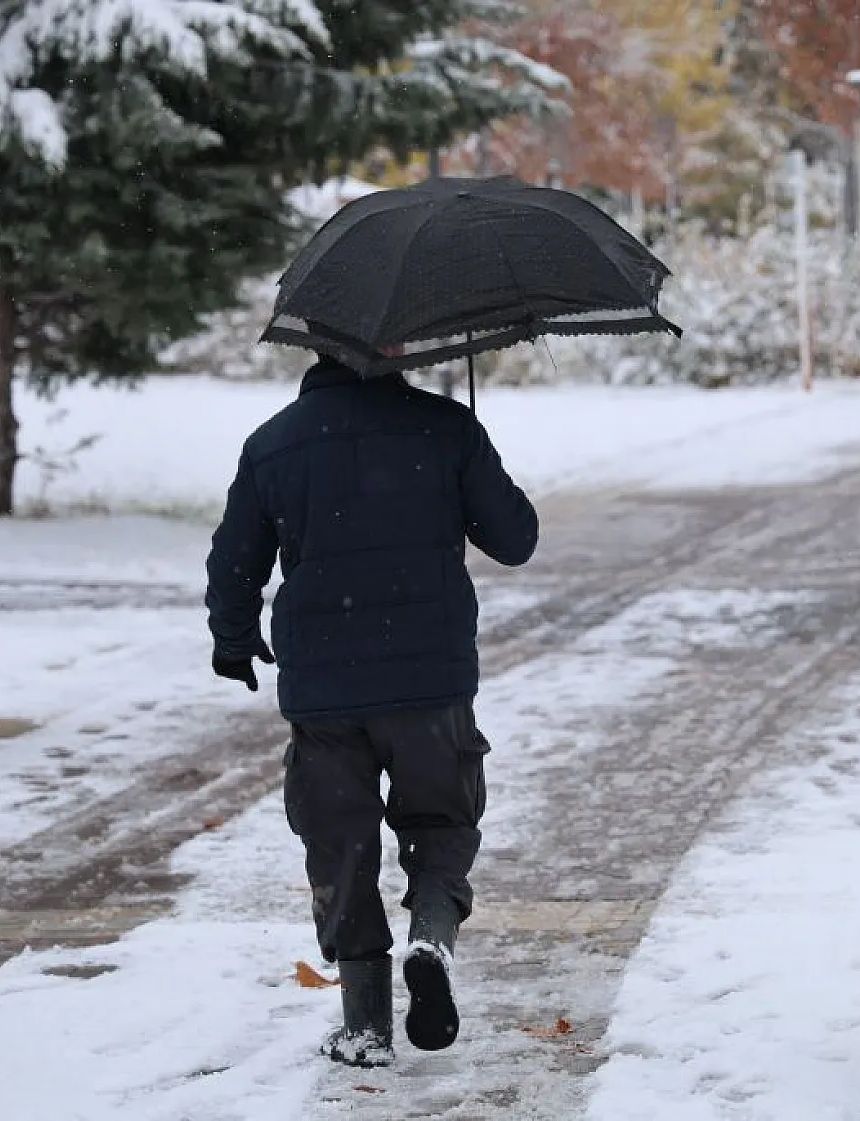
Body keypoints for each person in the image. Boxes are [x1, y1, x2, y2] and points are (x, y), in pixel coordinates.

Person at [204, 350, 538, 1067]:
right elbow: (516, 540)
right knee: (443, 821)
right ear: (397, 352)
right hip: (432, 679)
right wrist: (467, 452)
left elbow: (235, 561)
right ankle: (432, 935)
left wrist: (233, 641)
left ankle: (365, 1026)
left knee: (340, 845)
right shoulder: (445, 428)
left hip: (325, 689)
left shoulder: (274, 444)